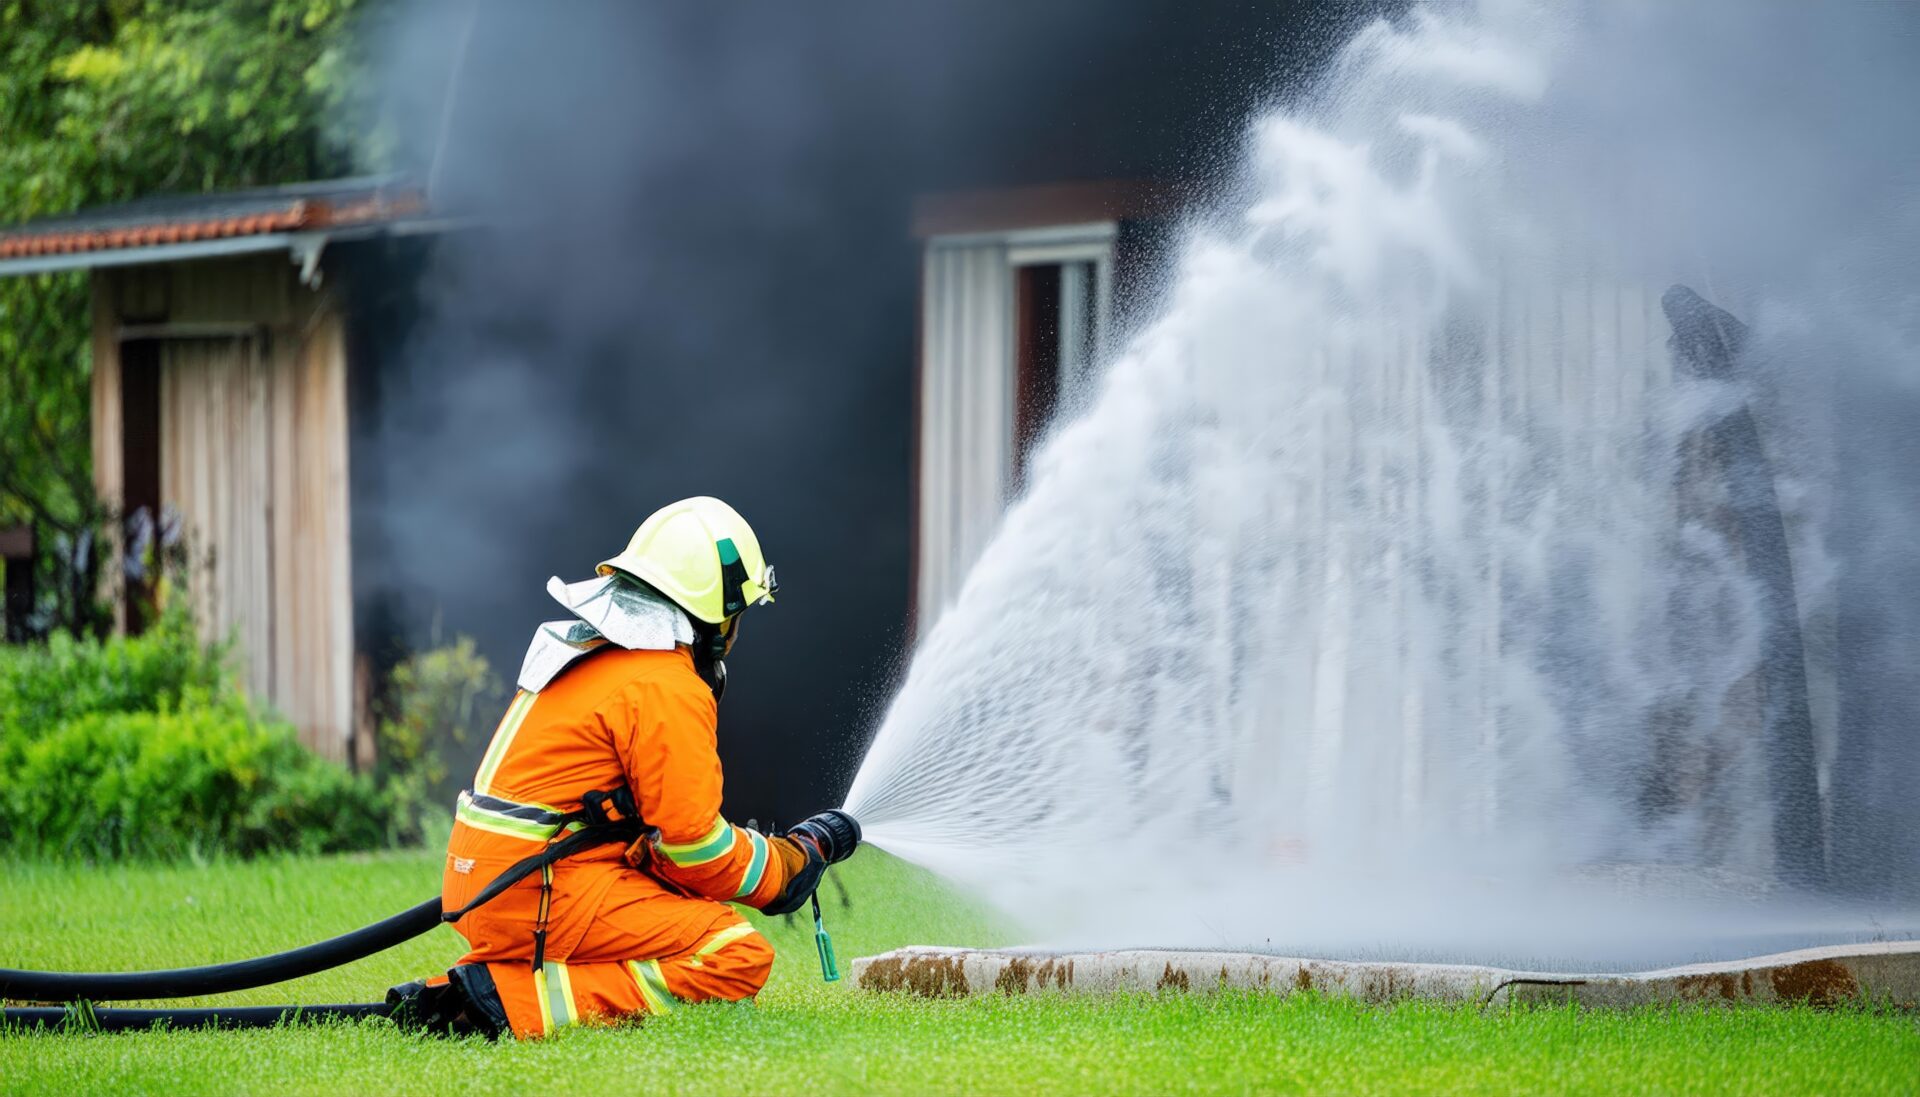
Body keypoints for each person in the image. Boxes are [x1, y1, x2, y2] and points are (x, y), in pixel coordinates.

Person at [392, 497, 859, 1038]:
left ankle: (475, 990)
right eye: (737, 616)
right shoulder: (664, 682)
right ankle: (512, 1004)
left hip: (492, 883)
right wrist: (786, 866)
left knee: (684, 913)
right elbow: (695, 848)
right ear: (715, 617)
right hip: (539, 888)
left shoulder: (591, 652)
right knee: (733, 953)